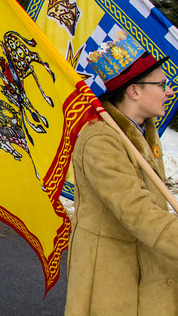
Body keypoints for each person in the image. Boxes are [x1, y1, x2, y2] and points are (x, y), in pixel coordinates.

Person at [65, 31, 178, 315]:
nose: (169, 91)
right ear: (134, 91)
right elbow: (135, 209)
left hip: (141, 266)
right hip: (110, 278)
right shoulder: (100, 140)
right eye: (161, 84)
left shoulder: (143, 133)